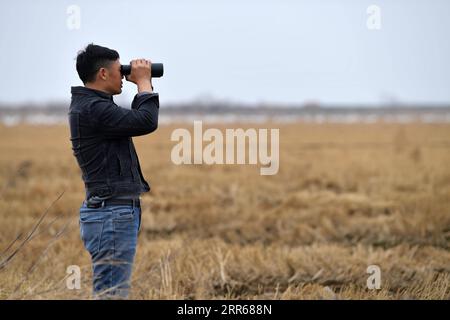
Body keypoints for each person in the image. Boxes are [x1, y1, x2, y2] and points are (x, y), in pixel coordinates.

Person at [68, 43, 159, 299]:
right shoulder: (93, 109)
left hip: (109, 212)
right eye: (121, 71)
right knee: (112, 294)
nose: (124, 76)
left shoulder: (92, 106)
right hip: (111, 214)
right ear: (103, 74)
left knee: (110, 290)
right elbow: (146, 120)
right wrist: (143, 83)